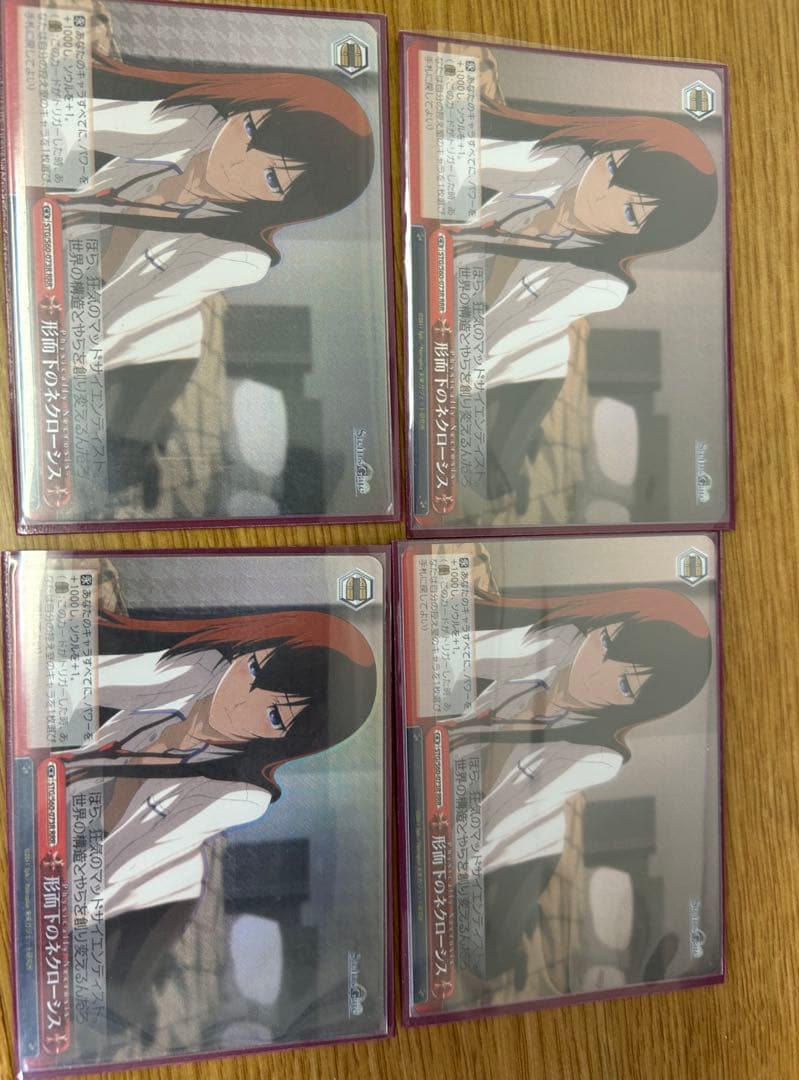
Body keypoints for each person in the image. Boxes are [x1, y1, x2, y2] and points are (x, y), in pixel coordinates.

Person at [56, 49, 376, 492]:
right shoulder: (198, 123)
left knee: (111, 465)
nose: (232, 161)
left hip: (155, 351)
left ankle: (144, 457)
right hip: (157, 330)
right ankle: (149, 446)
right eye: (250, 129)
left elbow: (113, 314)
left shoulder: (240, 257)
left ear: (283, 205)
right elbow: (74, 118)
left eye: (271, 178)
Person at [443, 48, 720, 496]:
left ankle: (519, 464)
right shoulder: (569, 162)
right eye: (610, 168)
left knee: (488, 478)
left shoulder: (601, 285)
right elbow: (462, 154)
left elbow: (505, 332)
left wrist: (438, 383)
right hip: (512, 343)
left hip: (525, 373)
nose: (596, 198)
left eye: (629, 212)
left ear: (637, 238)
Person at [443, 578, 712, 978]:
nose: (591, 675)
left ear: (635, 707)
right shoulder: (564, 640)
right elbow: (456, 653)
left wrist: (443, 863)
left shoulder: (598, 758)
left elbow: (503, 815)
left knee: (486, 953)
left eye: (624, 684)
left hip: (521, 847)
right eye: (605, 642)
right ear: (597, 626)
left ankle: (512, 950)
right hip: (523, 825)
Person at [59, 606, 378, 920]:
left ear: (285, 740)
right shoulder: (201, 670)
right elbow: (74, 681)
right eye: (254, 667)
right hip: (61, 796)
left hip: (82, 866)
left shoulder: (240, 795)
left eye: (274, 716)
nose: (237, 701)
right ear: (246, 648)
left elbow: (128, 858)